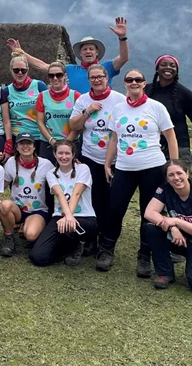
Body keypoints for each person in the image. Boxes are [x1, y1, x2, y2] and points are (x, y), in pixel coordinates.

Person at [97, 69, 178, 275]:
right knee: (115, 209)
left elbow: (170, 137)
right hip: (124, 167)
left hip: (153, 167)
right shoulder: (118, 109)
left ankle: (145, 256)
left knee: (148, 213)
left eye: (138, 79)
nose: (134, 82)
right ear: (124, 84)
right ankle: (106, 250)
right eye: (130, 79)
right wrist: (108, 163)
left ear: (144, 83)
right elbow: (114, 139)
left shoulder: (156, 107)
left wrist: (174, 165)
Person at [70, 64, 126, 251]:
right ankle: (92, 237)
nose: (97, 80)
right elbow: (74, 125)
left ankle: (107, 239)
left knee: (112, 200)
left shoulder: (119, 99)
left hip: (117, 160)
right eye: (93, 77)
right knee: (93, 198)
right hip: (91, 157)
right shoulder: (83, 100)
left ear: (106, 77)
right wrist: (87, 112)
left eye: (100, 76)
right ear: (89, 80)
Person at [143, 160, 192, 295]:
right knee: (150, 228)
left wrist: (177, 222)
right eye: (171, 175)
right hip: (179, 238)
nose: (176, 178)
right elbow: (149, 213)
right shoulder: (165, 190)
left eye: (179, 173)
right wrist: (172, 227)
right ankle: (165, 273)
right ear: (167, 178)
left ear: (187, 173)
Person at [6, 16, 129, 93]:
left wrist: (122, 38)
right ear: (80, 53)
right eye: (85, 49)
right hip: (76, 115)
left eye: (91, 48)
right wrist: (20, 53)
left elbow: (124, 58)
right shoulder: (69, 69)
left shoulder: (106, 68)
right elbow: (43, 66)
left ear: (97, 52)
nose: (88, 51)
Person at [30, 140, 98, 267]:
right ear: (55, 154)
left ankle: (77, 244)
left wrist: (68, 217)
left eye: (67, 153)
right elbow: (60, 195)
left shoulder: (83, 169)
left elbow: (76, 194)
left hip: (85, 219)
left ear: (73, 155)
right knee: (38, 257)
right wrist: (66, 217)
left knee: (69, 227)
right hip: (60, 218)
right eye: (60, 153)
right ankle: (66, 248)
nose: (64, 157)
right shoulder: (51, 174)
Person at [0, 132, 54, 257]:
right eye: (21, 144)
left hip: (38, 210)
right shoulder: (11, 162)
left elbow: (58, 182)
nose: (25, 146)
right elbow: (2, 185)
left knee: (31, 236)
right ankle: (9, 238)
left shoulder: (46, 164)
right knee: (5, 205)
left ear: (34, 146)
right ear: (17, 147)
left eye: (28, 143)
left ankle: (29, 226)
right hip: (18, 209)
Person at [145, 55, 192, 167]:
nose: (168, 67)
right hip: (151, 146)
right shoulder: (146, 91)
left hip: (179, 147)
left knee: (177, 182)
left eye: (172, 66)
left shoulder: (185, 94)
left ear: (177, 71)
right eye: (163, 65)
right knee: (153, 183)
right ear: (157, 69)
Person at [35, 61, 80, 160]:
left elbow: (79, 124)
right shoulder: (42, 96)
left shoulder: (75, 96)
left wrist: (66, 143)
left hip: (71, 143)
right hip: (48, 143)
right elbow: (40, 122)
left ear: (65, 76)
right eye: (51, 76)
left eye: (58, 75)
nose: (55, 78)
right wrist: (52, 141)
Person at [6, 55, 47, 152]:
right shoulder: (6, 91)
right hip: (17, 138)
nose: (20, 73)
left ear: (27, 70)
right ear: (11, 70)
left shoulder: (39, 86)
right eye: (16, 70)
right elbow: (5, 118)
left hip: (38, 136)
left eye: (23, 70)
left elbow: (48, 110)